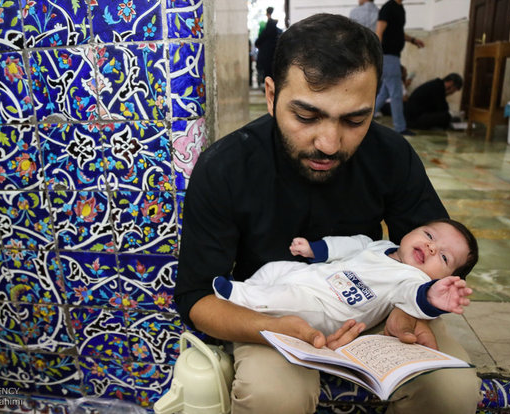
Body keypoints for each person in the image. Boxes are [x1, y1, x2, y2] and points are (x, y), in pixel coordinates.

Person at [175, 13, 481, 414]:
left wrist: (408, 312)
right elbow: (197, 297)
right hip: (274, 311)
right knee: (272, 396)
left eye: (356, 119)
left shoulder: (390, 154)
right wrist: (275, 328)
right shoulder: (226, 167)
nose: (330, 143)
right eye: (306, 116)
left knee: (451, 392)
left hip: (375, 304)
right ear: (271, 96)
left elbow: (443, 253)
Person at [213, 219, 478, 336]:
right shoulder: (377, 245)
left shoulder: (412, 281)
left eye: (443, 258)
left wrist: (432, 296)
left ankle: (237, 295)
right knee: (275, 269)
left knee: (287, 299)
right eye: (429, 235)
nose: (432, 248)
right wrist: (314, 249)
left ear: (445, 277)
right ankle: (248, 287)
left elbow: (414, 299)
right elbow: (348, 245)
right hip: (311, 275)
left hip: (328, 310)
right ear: (412, 231)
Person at [375, 0, 424, 136]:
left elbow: (397, 32)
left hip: (393, 56)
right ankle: (400, 128)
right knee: (396, 94)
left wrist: (413, 40)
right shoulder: (388, 7)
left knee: (384, 93)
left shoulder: (400, 8)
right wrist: (378, 54)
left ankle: (366, 117)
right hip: (388, 56)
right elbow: (379, 31)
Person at [254, 7, 279, 88]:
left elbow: (263, 36)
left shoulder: (270, 24)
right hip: (270, 52)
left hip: (268, 53)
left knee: (268, 72)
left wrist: (258, 42)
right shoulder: (272, 24)